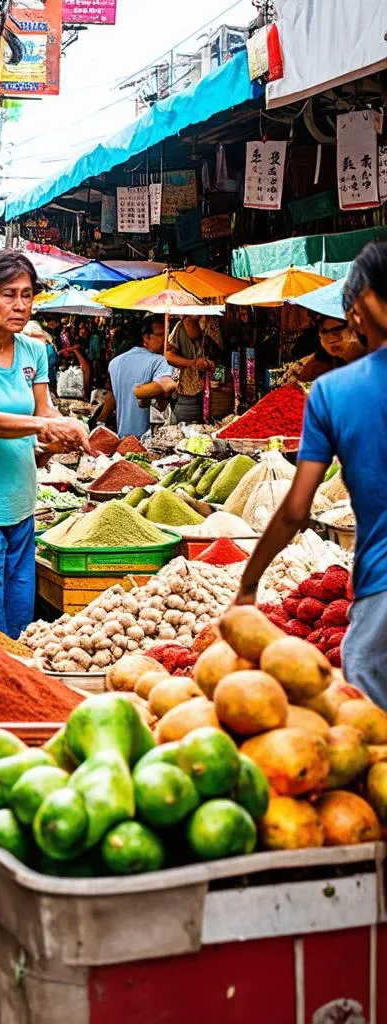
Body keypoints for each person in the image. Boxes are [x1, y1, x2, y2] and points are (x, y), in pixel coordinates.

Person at [234, 242, 387, 703]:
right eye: (324, 332)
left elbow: (295, 509)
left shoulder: (333, 394)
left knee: (364, 710)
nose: (332, 340)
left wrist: (249, 580)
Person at [0, 250, 95, 639]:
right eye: (8, 294)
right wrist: (49, 425)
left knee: (22, 619)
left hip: (22, 501)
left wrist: (65, 433)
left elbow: (46, 410)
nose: (20, 305)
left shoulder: (33, 351)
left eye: (27, 295)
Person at [97, 316, 178, 438]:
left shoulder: (114, 363)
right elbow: (166, 385)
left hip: (123, 437)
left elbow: (112, 396)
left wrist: (100, 421)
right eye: (161, 335)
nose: (166, 340)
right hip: (149, 439)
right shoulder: (160, 361)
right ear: (146, 337)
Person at [165, 315, 217, 423]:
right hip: (186, 395)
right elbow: (169, 356)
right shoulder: (180, 329)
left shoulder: (209, 328)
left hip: (209, 395)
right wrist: (193, 363)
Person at [291, 315, 367, 382]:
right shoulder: (334, 362)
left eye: (336, 331)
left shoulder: (369, 364)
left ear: (353, 331)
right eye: (324, 332)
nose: (330, 339)